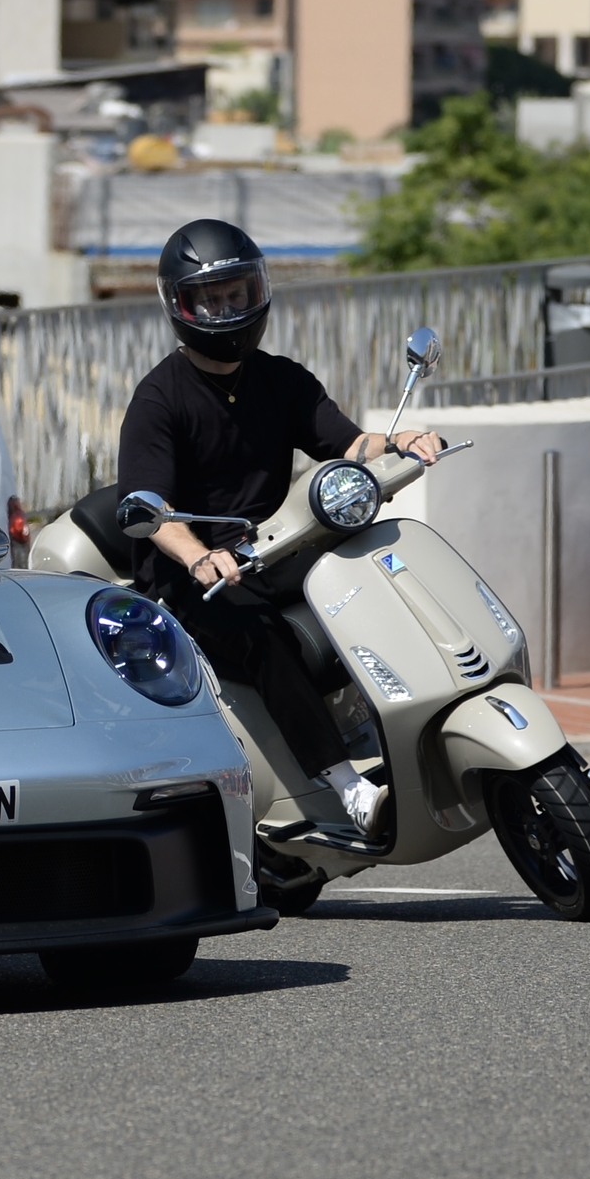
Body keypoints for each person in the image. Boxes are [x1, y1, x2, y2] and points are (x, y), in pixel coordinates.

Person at [117, 219, 446, 838]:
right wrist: (197, 557)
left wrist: (400, 440)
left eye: (236, 292)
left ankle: (411, 728)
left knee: (372, 574)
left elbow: (349, 442)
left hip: (271, 551)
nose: (225, 308)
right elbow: (148, 506)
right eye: (208, 298)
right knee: (260, 634)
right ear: (179, 306)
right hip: (196, 582)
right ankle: (347, 786)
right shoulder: (159, 399)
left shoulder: (280, 379)